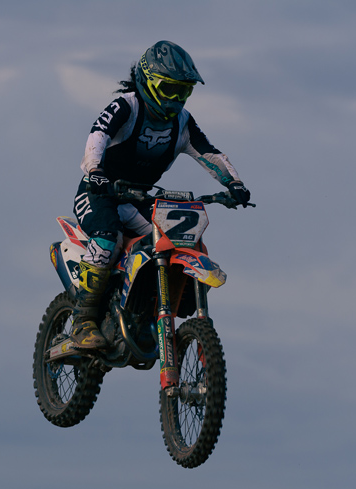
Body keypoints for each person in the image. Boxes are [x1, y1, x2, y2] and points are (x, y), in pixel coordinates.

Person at [70, 40, 251, 349]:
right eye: (170, 89)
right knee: (107, 240)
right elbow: (98, 135)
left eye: (184, 92)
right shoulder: (127, 106)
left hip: (140, 199)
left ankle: (144, 310)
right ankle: (82, 321)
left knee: (176, 242)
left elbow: (209, 154)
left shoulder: (182, 122)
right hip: (99, 193)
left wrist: (234, 184)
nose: (176, 99)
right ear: (148, 82)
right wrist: (95, 171)